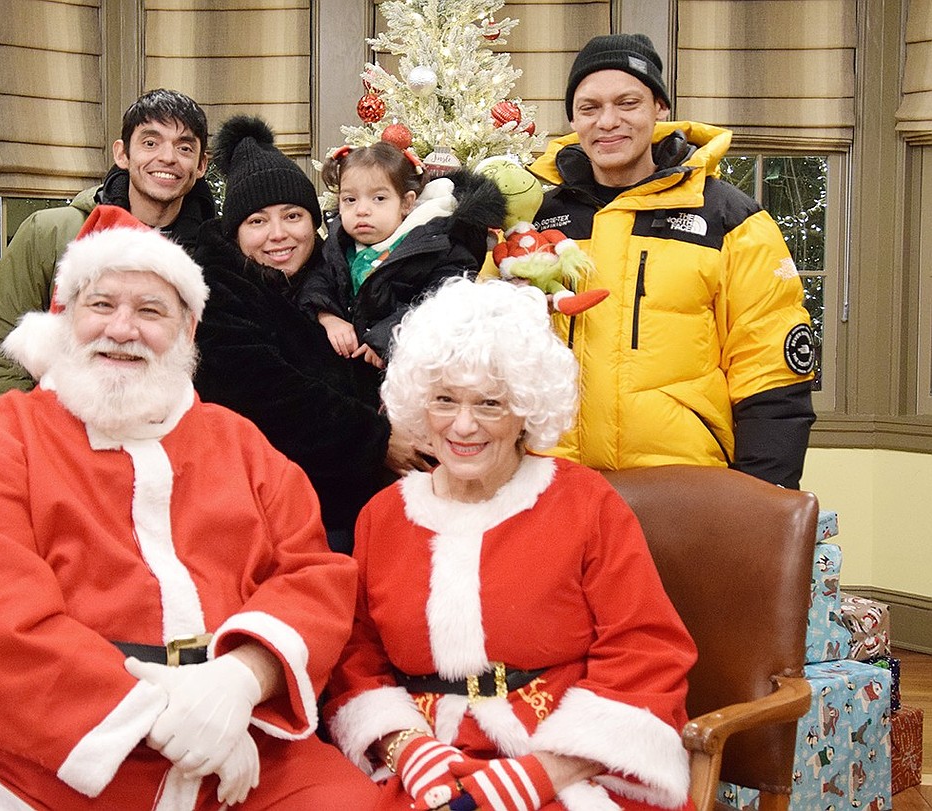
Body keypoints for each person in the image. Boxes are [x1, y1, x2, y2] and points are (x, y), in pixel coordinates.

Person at [0, 206, 380, 810]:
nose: (123, 329)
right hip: (18, 756)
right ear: (65, 319)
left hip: (237, 737)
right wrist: (165, 718)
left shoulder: (240, 443)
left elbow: (314, 575)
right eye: (102, 306)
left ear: (189, 331)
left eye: (152, 311)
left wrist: (242, 681)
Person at [323, 278, 698, 811]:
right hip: (425, 763)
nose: (464, 425)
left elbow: (646, 650)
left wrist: (539, 775)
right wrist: (404, 746)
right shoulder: (382, 516)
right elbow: (356, 656)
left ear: (526, 409)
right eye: (444, 400)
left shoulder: (585, 502)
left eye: (490, 404)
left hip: (570, 763)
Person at [527, 33, 816, 489]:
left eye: (627, 103)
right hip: (554, 484)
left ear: (659, 108)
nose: (608, 122)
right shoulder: (535, 220)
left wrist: (761, 499)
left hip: (686, 490)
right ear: (573, 118)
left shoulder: (731, 219)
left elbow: (770, 372)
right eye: (589, 107)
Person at [192, 115, 431, 553]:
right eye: (257, 222)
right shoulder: (217, 294)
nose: (279, 235)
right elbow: (265, 394)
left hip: (372, 507)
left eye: (293, 215)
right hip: (272, 519)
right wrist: (375, 440)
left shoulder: (339, 274)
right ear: (234, 232)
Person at [0, 88, 217, 407]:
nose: (167, 157)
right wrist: (45, 434)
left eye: (184, 147)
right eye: (150, 142)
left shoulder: (217, 254)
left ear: (201, 164)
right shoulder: (50, 233)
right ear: (122, 153)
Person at [299, 142, 505, 382]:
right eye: (350, 199)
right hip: (350, 371)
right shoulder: (340, 244)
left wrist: (386, 338)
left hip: (414, 373)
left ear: (406, 203)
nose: (362, 210)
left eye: (378, 198)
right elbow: (318, 280)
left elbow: (441, 303)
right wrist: (327, 316)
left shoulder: (438, 246)